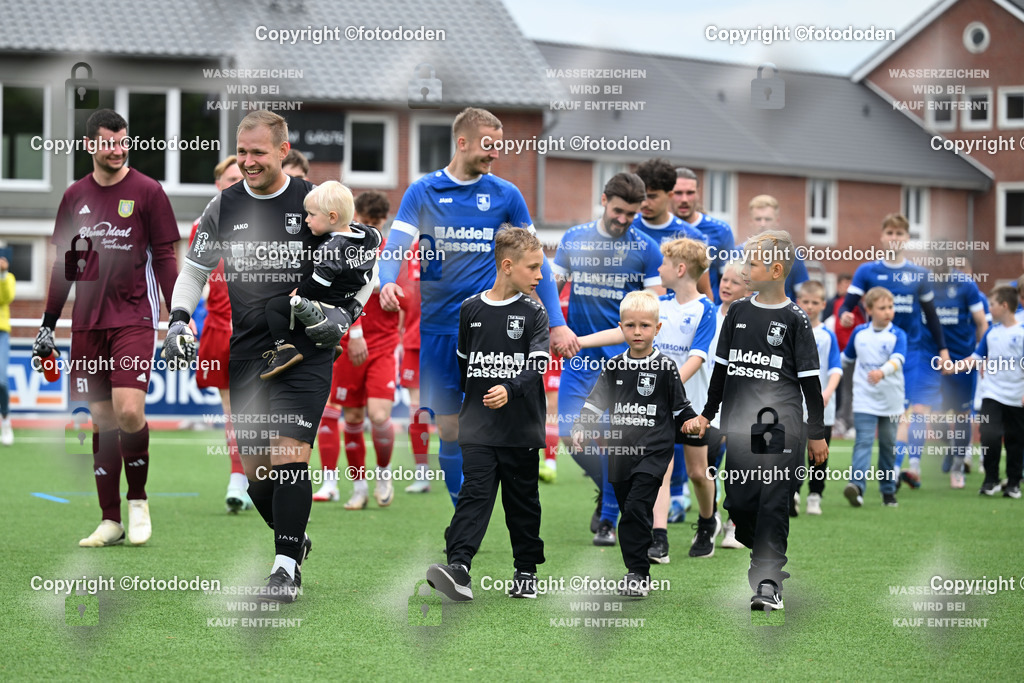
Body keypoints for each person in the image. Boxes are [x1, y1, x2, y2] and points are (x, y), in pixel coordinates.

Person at [165, 111, 371, 602]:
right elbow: (194, 270)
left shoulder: (316, 201)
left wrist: (347, 317)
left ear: (283, 151)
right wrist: (177, 318)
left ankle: (284, 569)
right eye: (243, 150)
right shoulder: (223, 206)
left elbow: (366, 261)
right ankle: (294, 540)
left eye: (259, 152)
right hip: (249, 354)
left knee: (287, 458)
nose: (248, 160)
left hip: (308, 352)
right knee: (259, 477)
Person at [378, 107, 576, 509]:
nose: (494, 155)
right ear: (462, 142)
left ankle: (500, 509)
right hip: (437, 329)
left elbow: (540, 261)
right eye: (489, 146)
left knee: (495, 426)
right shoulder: (423, 191)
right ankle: (464, 511)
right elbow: (395, 246)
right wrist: (385, 283)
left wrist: (556, 323)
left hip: (493, 331)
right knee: (449, 429)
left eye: (499, 147)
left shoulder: (506, 195)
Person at [32, 109, 180, 547]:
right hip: (87, 324)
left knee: (129, 411)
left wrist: (179, 318)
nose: (117, 150)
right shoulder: (74, 196)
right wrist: (47, 323)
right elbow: (67, 267)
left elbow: (167, 259)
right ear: (90, 145)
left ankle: (137, 502)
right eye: (108, 142)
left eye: (122, 141)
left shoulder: (149, 192)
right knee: (99, 420)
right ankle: (109, 519)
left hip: (134, 317)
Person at [685, 230, 827, 612]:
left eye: (752, 263)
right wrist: (707, 415)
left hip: (781, 427)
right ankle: (756, 546)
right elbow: (721, 370)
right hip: (740, 426)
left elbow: (811, 383)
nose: (745, 269)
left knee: (773, 502)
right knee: (743, 504)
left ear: (776, 269)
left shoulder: (796, 320)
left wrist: (817, 434)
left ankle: (768, 582)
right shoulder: (738, 313)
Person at [426, 228, 550, 601]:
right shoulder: (470, 309)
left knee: (521, 502)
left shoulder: (535, 312)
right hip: (479, 426)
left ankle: (526, 570)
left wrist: (509, 389)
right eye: (533, 268)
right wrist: (479, 397)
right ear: (508, 266)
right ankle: (459, 568)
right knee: (474, 495)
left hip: (521, 428)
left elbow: (538, 365)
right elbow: (465, 366)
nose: (540, 276)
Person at [576, 238, 717, 560]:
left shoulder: (705, 308)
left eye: (663, 264)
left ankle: (708, 521)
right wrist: (579, 341)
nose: (658, 269)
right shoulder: (659, 304)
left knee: (698, 473)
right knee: (661, 472)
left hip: (688, 405)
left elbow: (697, 356)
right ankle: (659, 537)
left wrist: (662, 386)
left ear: (680, 269)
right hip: (656, 411)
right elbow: (624, 330)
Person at [551, 172, 662, 547]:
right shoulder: (574, 238)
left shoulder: (646, 250)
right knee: (571, 435)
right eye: (618, 210)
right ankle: (611, 492)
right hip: (580, 363)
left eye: (632, 213)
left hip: (624, 366)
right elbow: (551, 288)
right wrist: (556, 326)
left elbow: (650, 317)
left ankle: (609, 521)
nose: (623, 219)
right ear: (603, 200)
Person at [573, 290, 698, 597]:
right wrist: (581, 425)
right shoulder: (614, 365)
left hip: (654, 452)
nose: (637, 332)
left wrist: (696, 422)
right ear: (621, 327)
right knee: (629, 509)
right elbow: (594, 404)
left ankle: (637, 574)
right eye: (630, 326)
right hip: (619, 454)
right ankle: (636, 569)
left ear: (657, 328)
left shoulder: (666, 367)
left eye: (644, 325)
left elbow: (681, 408)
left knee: (637, 509)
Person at [839, 214, 950, 488]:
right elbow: (847, 304)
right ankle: (874, 474)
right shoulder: (867, 271)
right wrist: (844, 315)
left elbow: (932, 317)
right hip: (871, 354)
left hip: (909, 352)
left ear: (907, 239)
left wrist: (944, 350)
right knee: (875, 412)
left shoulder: (919, 274)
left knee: (903, 411)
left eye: (900, 233)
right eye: (889, 232)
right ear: (882, 236)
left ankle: (897, 470)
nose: (894, 238)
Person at [312, 191, 399, 509]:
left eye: (376, 223)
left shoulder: (391, 253)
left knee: (378, 416)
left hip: (385, 345)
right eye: (365, 222)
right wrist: (356, 332)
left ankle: (385, 472)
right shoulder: (342, 250)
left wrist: (396, 300)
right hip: (350, 342)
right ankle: (359, 488)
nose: (370, 228)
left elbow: (403, 297)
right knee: (352, 415)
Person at [259, 181, 379, 379]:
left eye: (312, 215)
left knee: (274, 307)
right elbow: (377, 239)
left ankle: (285, 350)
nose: (306, 220)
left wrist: (299, 292)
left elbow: (318, 285)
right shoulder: (369, 234)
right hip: (348, 300)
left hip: (327, 302)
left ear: (332, 217)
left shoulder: (330, 249)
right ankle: (332, 344)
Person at [190, 156, 250, 513]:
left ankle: (262, 477)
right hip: (219, 327)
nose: (235, 182)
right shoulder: (204, 224)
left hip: (260, 329)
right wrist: (184, 316)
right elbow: (193, 275)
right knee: (233, 412)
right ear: (218, 184)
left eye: (240, 177)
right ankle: (237, 478)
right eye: (229, 178)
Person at [949, 285, 1023, 498]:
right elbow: (976, 359)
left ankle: (1014, 482)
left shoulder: (1021, 333)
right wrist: (954, 367)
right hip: (992, 393)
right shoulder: (992, 332)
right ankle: (991, 479)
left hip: (1016, 396)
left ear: (1005, 306)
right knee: (990, 436)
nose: (988, 308)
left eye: (992, 304)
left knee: (1015, 439)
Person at [924, 259, 987, 489]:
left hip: (962, 362)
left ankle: (958, 466)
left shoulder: (966, 285)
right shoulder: (925, 282)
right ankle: (952, 446)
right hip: (931, 360)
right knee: (932, 414)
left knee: (961, 414)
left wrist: (982, 355)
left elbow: (981, 323)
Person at [842, 287, 906, 508]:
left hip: (891, 401)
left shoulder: (898, 334)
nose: (888, 311)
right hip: (864, 399)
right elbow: (845, 359)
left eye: (890, 307)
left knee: (888, 445)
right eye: (882, 308)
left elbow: (898, 359)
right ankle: (857, 487)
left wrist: (882, 372)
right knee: (863, 443)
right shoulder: (859, 333)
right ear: (868, 309)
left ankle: (888, 491)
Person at [707, 260, 748, 550]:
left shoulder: (750, 319)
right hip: (708, 404)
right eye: (723, 279)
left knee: (736, 470)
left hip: (738, 407)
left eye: (734, 281)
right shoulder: (708, 314)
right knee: (706, 467)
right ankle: (710, 518)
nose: (726, 285)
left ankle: (735, 525)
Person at [631, 159, 712, 298]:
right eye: (641, 196)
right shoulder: (628, 228)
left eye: (652, 196)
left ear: (669, 195)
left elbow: (704, 293)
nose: (644, 203)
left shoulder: (691, 236)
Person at [794, 281, 842, 515]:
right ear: (797, 302)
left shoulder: (827, 335)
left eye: (815, 302)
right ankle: (793, 492)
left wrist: (827, 392)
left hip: (822, 407)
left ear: (823, 304)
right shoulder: (790, 330)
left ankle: (815, 494)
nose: (810, 306)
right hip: (794, 406)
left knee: (819, 454)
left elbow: (836, 368)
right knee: (794, 452)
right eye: (805, 301)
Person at [671, 167, 735, 304]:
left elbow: (730, 279)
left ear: (698, 193)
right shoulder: (656, 229)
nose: (684, 199)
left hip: (705, 312)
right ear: (669, 194)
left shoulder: (720, 230)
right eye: (678, 193)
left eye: (690, 193)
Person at [742, 195, 808, 300]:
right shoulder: (736, 254)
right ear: (751, 221)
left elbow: (804, 296)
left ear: (777, 221)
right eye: (758, 219)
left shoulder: (792, 255)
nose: (762, 224)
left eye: (767, 219)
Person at [0, 252, 14, 445]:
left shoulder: (8, 278)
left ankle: (5, 420)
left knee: (1, 380)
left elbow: (6, 297)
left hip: (1, 332)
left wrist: (2, 275)